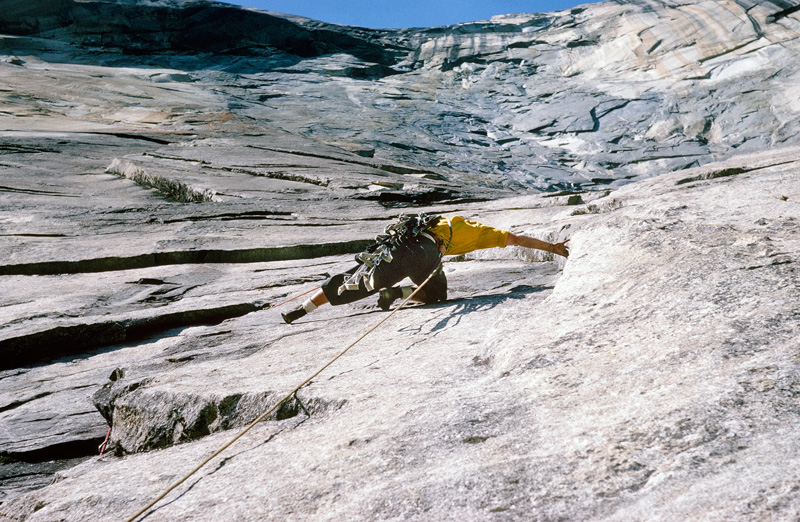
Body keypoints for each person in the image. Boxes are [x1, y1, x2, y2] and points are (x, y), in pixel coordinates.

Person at [281, 215, 570, 324]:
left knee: (353, 282)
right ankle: (397, 293)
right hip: (425, 253)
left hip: (400, 248)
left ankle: (300, 311)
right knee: (436, 295)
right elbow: (517, 239)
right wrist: (551, 248)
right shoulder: (481, 231)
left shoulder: (429, 222)